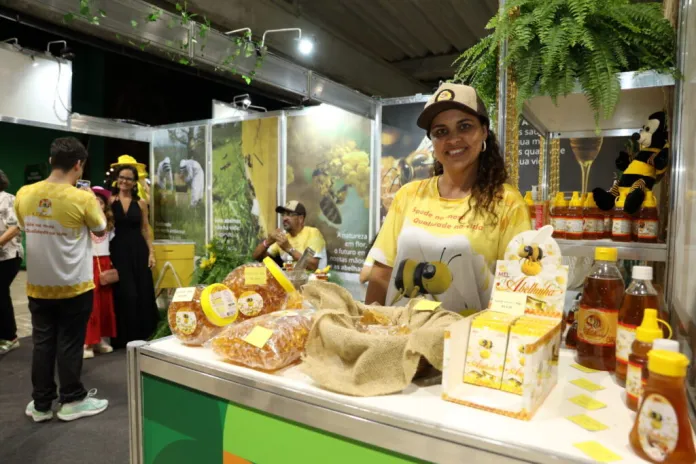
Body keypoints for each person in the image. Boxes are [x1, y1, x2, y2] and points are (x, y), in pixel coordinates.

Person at [366, 83, 531, 312]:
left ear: (484, 131)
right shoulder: (409, 195)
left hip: (470, 333)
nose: (453, 139)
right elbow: (381, 274)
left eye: (464, 127)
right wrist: (368, 325)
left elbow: (518, 287)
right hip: (403, 330)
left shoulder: (507, 202)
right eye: (441, 132)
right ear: (432, 142)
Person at [14, 137, 109, 422]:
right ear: (79, 165)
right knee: (69, 343)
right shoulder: (83, 198)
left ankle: (41, 404)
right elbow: (100, 229)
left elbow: (24, 226)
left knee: (42, 344)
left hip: (38, 286)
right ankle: (72, 400)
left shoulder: (24, 193)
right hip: (74, 286)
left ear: (50, 160)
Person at [109, 165, 158, 348]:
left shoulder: (141, 203)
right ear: (117, 179)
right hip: (117, 250)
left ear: (134, 182)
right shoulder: (109, 201)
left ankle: (143, 334)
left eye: (129, 178)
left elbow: (145, 228)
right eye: (122, 177)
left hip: (138, 250)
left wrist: (151, 252)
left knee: (141, 290)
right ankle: (122, 337)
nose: (124, 181)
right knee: (124, 292)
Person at [84, 186, 117, 359]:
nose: (97, 205)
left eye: (101, 202)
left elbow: (103, 226)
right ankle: (87, 341)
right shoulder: (84, 221)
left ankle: (100, 339)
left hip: (104, 264)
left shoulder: (109, 225)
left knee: (104, 304)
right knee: (91, 304)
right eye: (94, 202)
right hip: (88, 264)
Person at [252, 201, 326, 271]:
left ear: (301, 219)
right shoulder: (284, 237)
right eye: (283, 215)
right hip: (289, 279)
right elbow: (257, 257)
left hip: (314, 279)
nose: (284, 218)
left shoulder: (313, 233)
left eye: (290, 214)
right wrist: (268, 241)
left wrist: (288, 248)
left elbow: (313, 266)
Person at [0, 169, 23, 354]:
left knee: (0, 293)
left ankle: (10, 337)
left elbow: (15, 227)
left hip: (9, 255)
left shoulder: (7, 199)